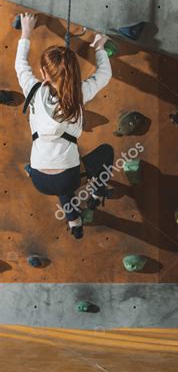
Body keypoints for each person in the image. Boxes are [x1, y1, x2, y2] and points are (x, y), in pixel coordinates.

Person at [15, 13, 114, 239]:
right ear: (74, 74)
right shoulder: (79, 95)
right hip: (65, 176)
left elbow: (20, 65)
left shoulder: (32, 90)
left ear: (44, 75)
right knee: (106, 152)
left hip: (40, 179)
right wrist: (99, 48)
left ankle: (74, 222)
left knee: (63, 187)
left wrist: (26, 32)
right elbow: (104, 75)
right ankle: (97, 194)